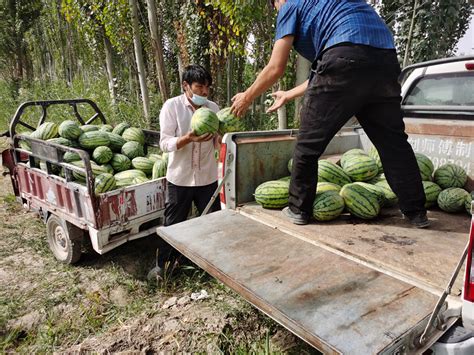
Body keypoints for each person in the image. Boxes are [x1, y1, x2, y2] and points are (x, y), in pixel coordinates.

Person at [231, 0, 428, 228]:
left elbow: (278, 67)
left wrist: (247, 96)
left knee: (307, 145)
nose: (276, 10)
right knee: (394, 145)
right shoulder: (332, 7)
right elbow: (333, 65)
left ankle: (298, 208)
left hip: (345, 59)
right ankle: (416, 212)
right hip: (384, 60)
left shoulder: (289, 5)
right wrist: (288, 95)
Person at [160, 64, 221, 227]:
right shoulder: (172, 106)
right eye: (199, 86)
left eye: (207, 87)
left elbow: (218, 141)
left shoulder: (213, 109)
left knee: (213, 226)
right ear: (185, 85)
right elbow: (164, 144)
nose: (205, 92)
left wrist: (221, 138)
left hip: (208, 178)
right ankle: (170, 254)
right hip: (179, 179)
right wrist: (187, 138)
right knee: (173, 227)